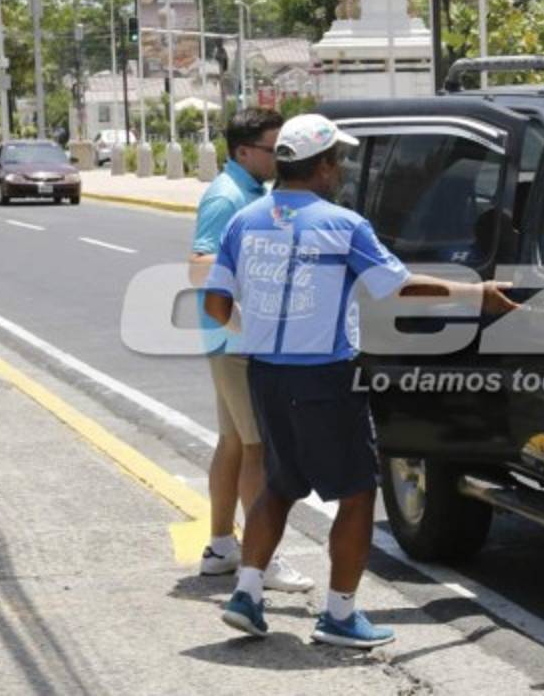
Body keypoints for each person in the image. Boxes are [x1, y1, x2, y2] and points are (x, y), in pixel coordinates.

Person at [204, 113, 516, 648]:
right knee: (356, 493)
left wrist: (256, 331)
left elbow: (215, 305)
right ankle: (340, 615)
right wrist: (476, 293)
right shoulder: (343, 225)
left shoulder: (245, 221)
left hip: (266, 375)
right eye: (339, 161)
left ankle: (247, 594)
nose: (343, 169)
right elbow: (398, 287)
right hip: (325, 378)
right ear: (323, 166)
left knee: (279, 484)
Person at [189, 108, 312, 592]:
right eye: (273, 149)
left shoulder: (253, 191)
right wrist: (246, 319)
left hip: (230, 338)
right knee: (260, 448)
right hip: (237, 341)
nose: (280, 157)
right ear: (244, 152)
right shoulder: (226, 197)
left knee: (236, 443)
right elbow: (200, 265)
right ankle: (263, 560)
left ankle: (222, 547)